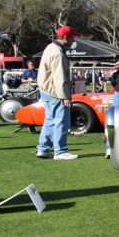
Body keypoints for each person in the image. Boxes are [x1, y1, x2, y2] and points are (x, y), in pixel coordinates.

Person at [36, 26, 80, 160]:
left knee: (50, 120)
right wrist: (65, 96)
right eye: (72, 37)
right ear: (65, 38)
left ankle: (43, 149)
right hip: (55, 92)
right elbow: (59, 78)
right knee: (61, 121)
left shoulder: (50, 47)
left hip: (46, 90)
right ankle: (60, 151)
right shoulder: (57, 53)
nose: (73, 40)